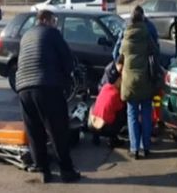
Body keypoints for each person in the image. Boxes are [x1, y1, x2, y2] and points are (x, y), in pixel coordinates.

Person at [15, 10, 80, 183]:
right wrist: (67, 79)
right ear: (44, 20)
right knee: (57, 129)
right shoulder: (52, 33)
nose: (55, 23)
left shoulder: (26, 36)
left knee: (34, 131)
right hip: (47, 86)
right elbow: (67, 60)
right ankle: (66, 171)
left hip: (23, 88)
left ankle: (42, 169)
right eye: (53, 20)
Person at [119, 6, 155, 159]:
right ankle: (145, 147)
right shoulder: (147, 35)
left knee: (132, 114)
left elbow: (119, 56)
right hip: (145, 79)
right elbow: (155, 52)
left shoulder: (126, 37)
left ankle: (134, 148)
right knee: (146, 113)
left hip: (129, 82)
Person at [89, 55, 126, 148]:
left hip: (92, 123)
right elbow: (120, 107)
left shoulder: (105, 87)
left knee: (96, 105)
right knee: (123, 112)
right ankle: (112, 138)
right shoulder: (116, 94)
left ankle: (95, 135)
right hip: (106, 127)